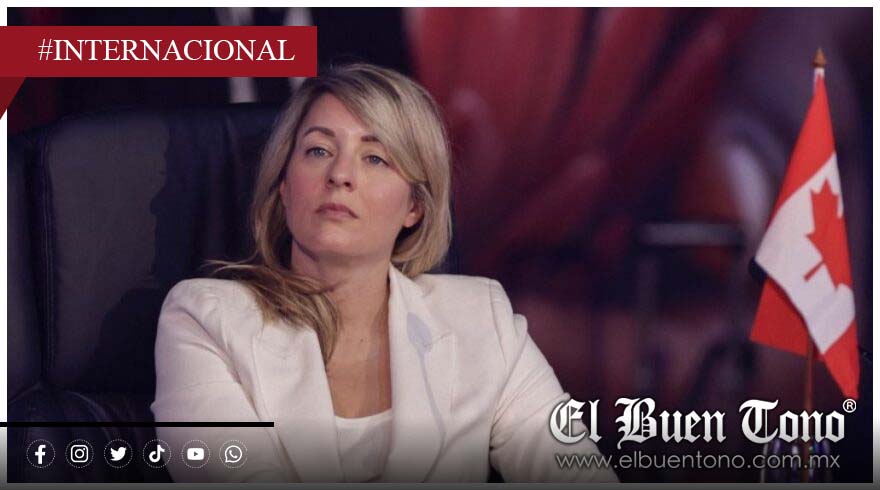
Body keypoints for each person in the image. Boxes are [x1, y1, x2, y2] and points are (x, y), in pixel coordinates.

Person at [150, 62, 617, 483]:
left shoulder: (481, 319)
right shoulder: (205, 320)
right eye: (318, 150)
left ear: (415, 206)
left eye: (374, 158)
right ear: (284, 187)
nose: (340, 174)